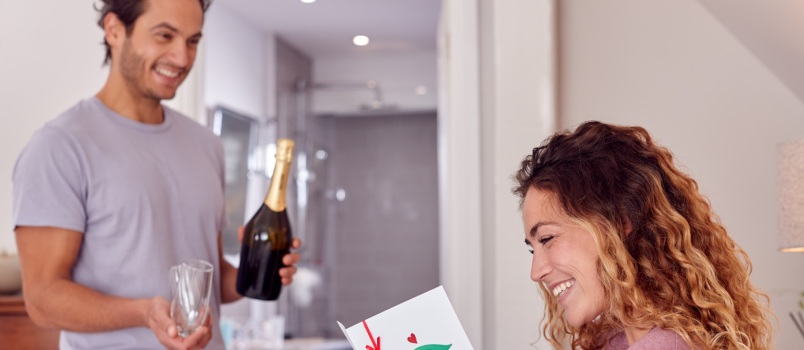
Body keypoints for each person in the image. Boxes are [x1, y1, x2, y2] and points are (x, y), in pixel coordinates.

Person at [12, 0, 300, 349]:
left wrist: (258, 272)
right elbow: (43, 300)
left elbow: (210, 280)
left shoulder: (206, 144)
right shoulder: (61, 146)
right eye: (165, 36)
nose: (182, 58)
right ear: (115, 29)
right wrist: (144, 312)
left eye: (193, 41)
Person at [513, 121, 772, 350]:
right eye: (532, 248)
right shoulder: (626, 339)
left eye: (547, 239)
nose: (535, 272)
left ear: (620, 222)